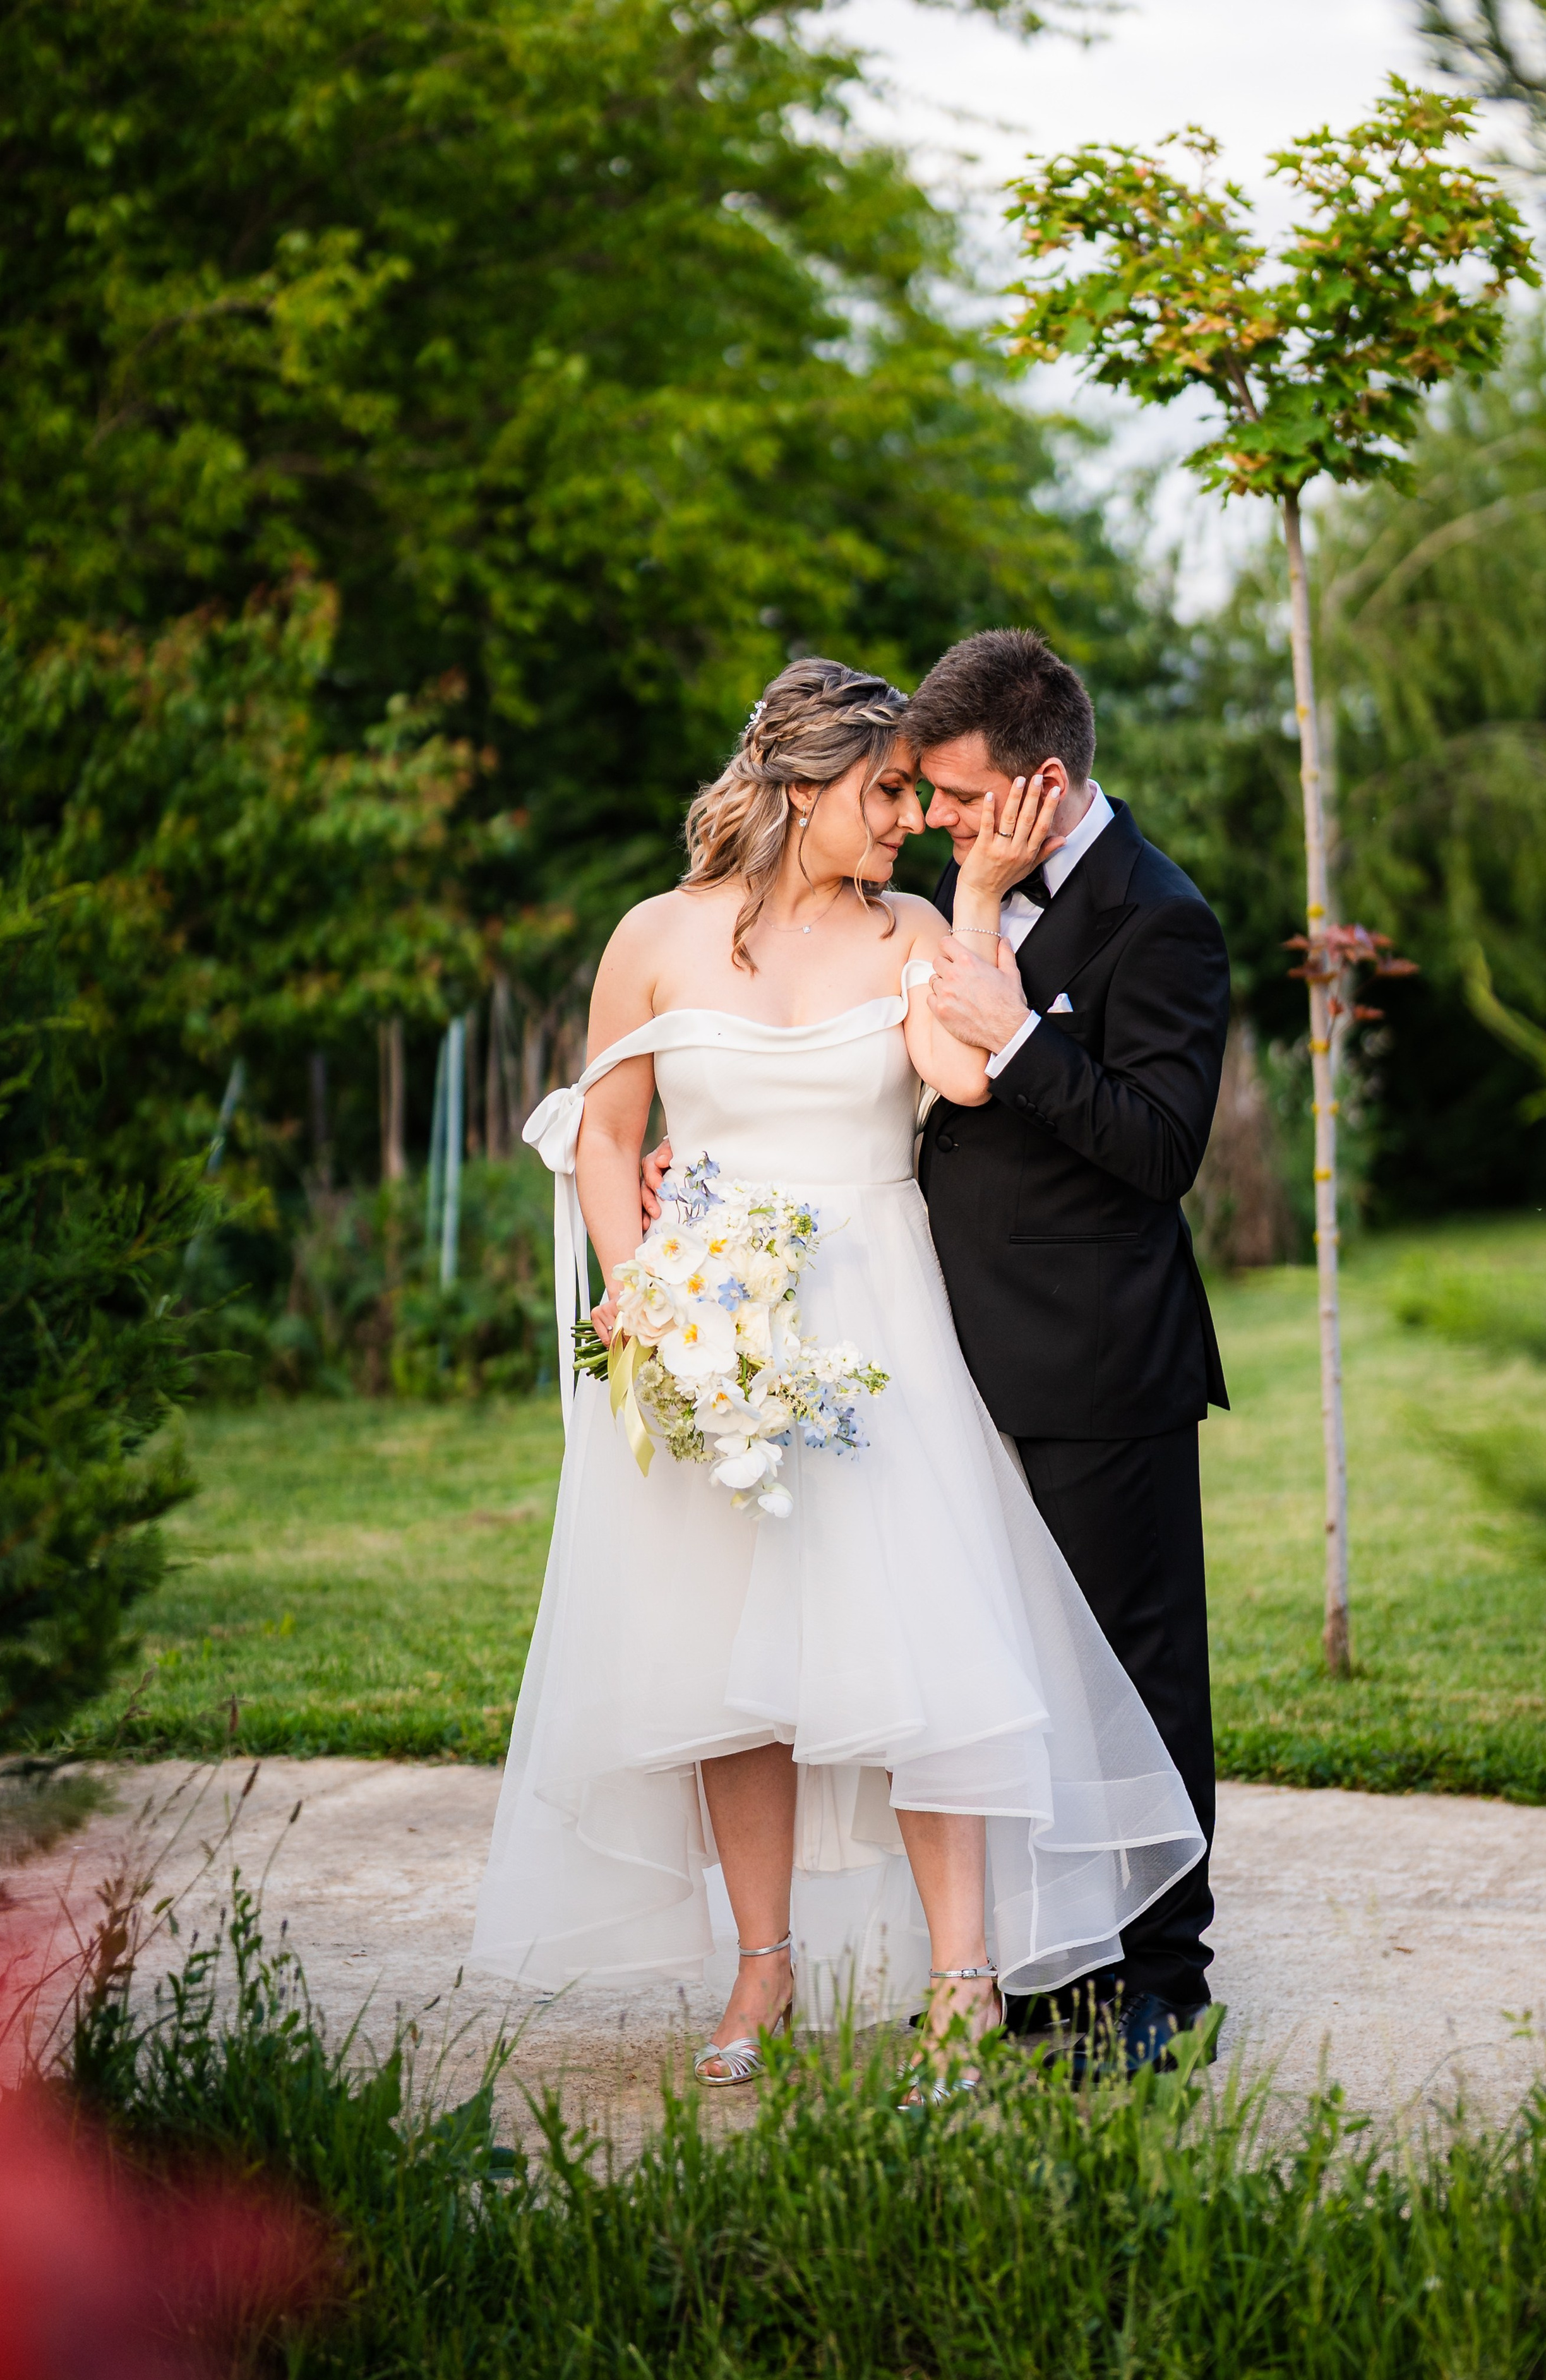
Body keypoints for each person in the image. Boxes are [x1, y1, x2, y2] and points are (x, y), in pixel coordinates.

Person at [471, 657, 1202, 2095]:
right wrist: (638, 1285)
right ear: (799, 793)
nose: (909, 824)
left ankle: (960, 1977)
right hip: (708, 1324)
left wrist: (978, 906)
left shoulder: (916, 927)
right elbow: (608, 1134)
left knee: (927, 1660)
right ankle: (763, 1964)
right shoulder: (655, 939)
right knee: (718, 1669)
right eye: (883, 797)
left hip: (882, 1332)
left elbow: (975, 1075)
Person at [906, 628, 1230, 2077]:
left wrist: (1023, 1044)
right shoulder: (956, 900)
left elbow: (1159, 1152)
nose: (941, 828)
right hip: (959, 1357)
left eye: (964, 803)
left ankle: (1164, 1977)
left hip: (1102, 1363)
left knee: (1137, 1670)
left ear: (1041, 785)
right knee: (1020, 1677)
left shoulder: (1162, 918)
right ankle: (1057, 1964)